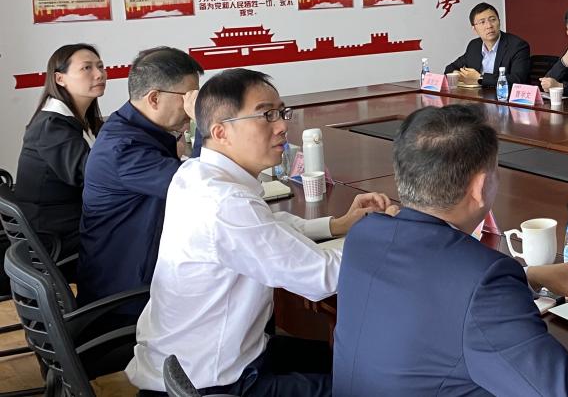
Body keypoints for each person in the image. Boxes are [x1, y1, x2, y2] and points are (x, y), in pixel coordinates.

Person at [333, 104, 568, 396]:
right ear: (480, 187)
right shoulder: (485, 283)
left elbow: (437, 290)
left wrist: (531, 276)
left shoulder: (365, 234)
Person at [128, 68, 394, 396]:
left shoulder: (197, 172)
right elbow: (321, 277)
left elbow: (267, 226)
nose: (282, 125)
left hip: (198, 358)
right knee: (375, 383)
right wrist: (387, 239)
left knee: (348, 359)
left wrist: (337, 225)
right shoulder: (225, 204)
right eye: (266, 115)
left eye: (281, 112)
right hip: (219, 382)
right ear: (221, 132)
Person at [76, 47, 203, 313]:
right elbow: (202, 187)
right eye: (188, 98)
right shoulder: (124, 149)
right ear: (154, 98)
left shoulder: (128, 127)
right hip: (126, 301)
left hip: (137, 275)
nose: (193, 107)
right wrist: (204, 122)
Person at [13, 44, 107, 257]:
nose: (99, 74)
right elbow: (95, 175)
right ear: (59, 79)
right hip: (55, 237)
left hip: (70, 221)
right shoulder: (51, 126)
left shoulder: (79, 119)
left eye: (101, 66)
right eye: (87, 68)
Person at [444, 2, 531, 87]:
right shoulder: (474, 45)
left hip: (504, 95)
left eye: (493, 20)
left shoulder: (517, 46)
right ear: (474, 29)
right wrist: (458, 75)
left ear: (499, 21)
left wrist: (480, 78)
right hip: (478, 95)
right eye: (482, 22)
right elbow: (450, 69)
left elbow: (517, 80)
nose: (489, 26)